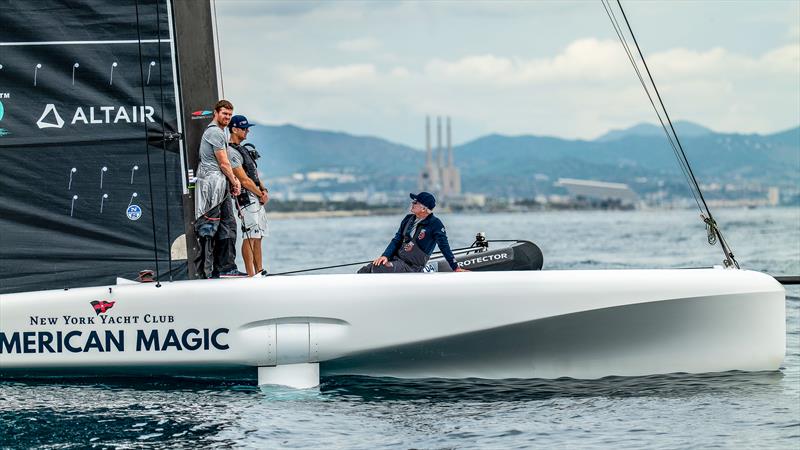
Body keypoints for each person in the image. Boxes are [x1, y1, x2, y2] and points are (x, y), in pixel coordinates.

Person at [193, 99, 247, 278]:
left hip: (217, 183)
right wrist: (235, 181)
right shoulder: (215, 132)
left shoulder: (220, 132)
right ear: (216, 113)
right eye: (224, 113)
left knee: (227, 225)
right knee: (214, 227)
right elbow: (224, 163)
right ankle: (215, 269)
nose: (227, 117)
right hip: (213, 184)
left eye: (230, 115)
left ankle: (224, 268)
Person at [358, 192, 466, 273]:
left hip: (411, 267)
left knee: (378, 268)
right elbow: (396, 240)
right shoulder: (408, 219)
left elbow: (444, 247)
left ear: (424, 208)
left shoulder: (436, 224)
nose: (412, 203)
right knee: (364, 270)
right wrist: (385, 256)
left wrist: (455, 267)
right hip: (396, 260)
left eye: (415, 202)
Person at [227, 115, 269, 276]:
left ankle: (260, 271)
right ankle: (251, 274)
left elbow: (254, 174)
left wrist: (264, 190)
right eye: (244, 128)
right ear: (234, 129)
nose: (247, 131)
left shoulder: (243, 149)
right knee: (250, 235)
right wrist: (260, 194)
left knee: (259, 235)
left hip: (256, 197)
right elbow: (243, 180)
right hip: (246, 198)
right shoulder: (231, 152)